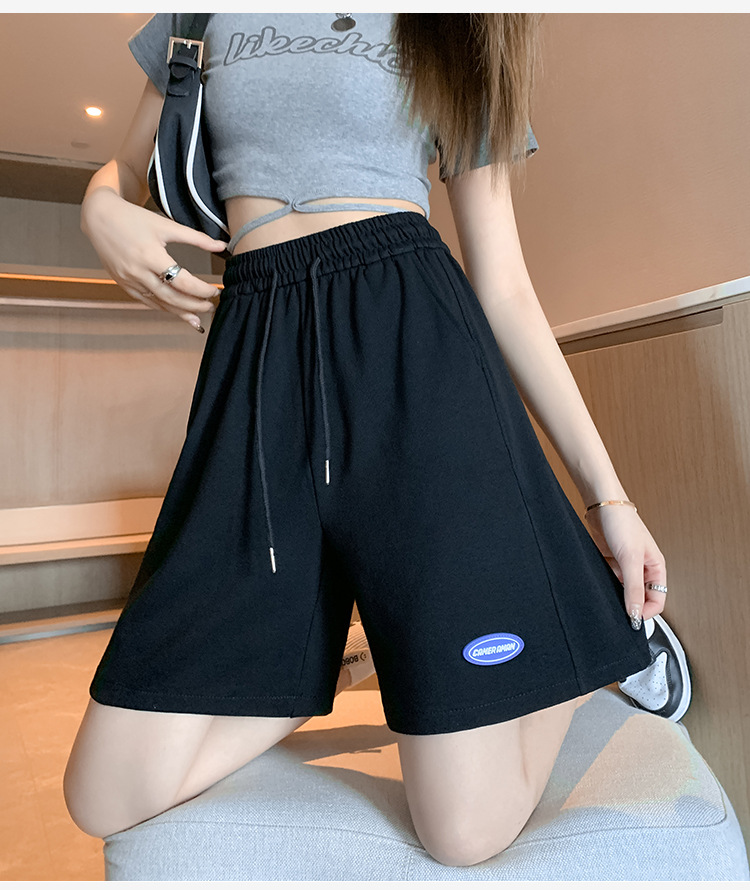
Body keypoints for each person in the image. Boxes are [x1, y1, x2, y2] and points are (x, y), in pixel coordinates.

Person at [62, 13, 684, 868]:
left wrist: (609, 498)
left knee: (463, 833)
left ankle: (594, 637)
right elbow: (128, 169)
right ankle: (320, 664)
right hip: (255, 366)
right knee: (102, 792)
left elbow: (504, 285)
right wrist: (99, 207)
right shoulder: (200, 13)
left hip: (414, 352)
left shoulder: (456, 27)